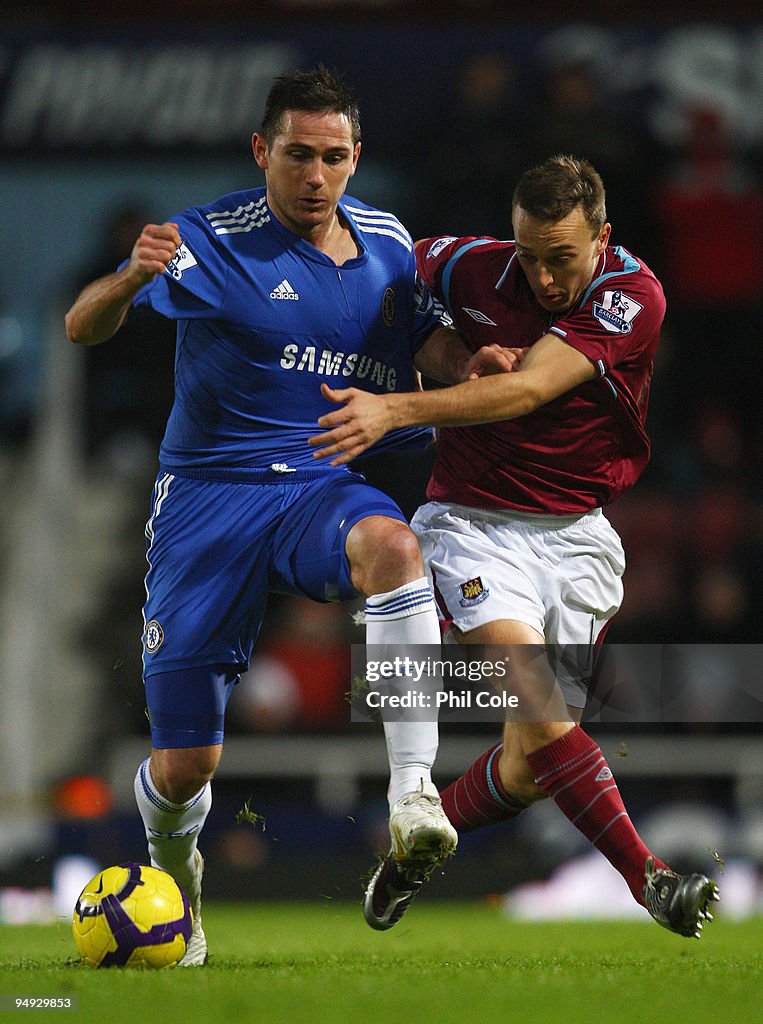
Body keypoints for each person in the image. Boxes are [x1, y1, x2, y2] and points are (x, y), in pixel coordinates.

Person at [65, 65, 515, 965]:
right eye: (298, 155)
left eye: (334, 157)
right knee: (189, 762)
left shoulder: (390, 242)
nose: (315, 175)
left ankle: (412, 795)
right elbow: (83, 326)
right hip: (208, 500)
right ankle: (175, 882)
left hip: (318, 482)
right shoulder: (208, 238)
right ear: (263, 152)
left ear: (356, 158)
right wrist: (124, 283)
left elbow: (421, 337)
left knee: (394, 546)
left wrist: (464, 361)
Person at [309, 154, 721, 938]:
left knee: (532, 766)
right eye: (527, 254)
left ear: (602, 237)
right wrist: (435, 350)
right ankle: (651, 880)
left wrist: (396, 409)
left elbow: (530, 387)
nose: (540, 276)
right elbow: (382, 260)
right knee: (538, 707)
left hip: (578, 540)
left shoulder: (634, 296)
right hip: (472, 525)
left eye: (560, 257)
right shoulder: (468, 264)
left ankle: (408, 855)